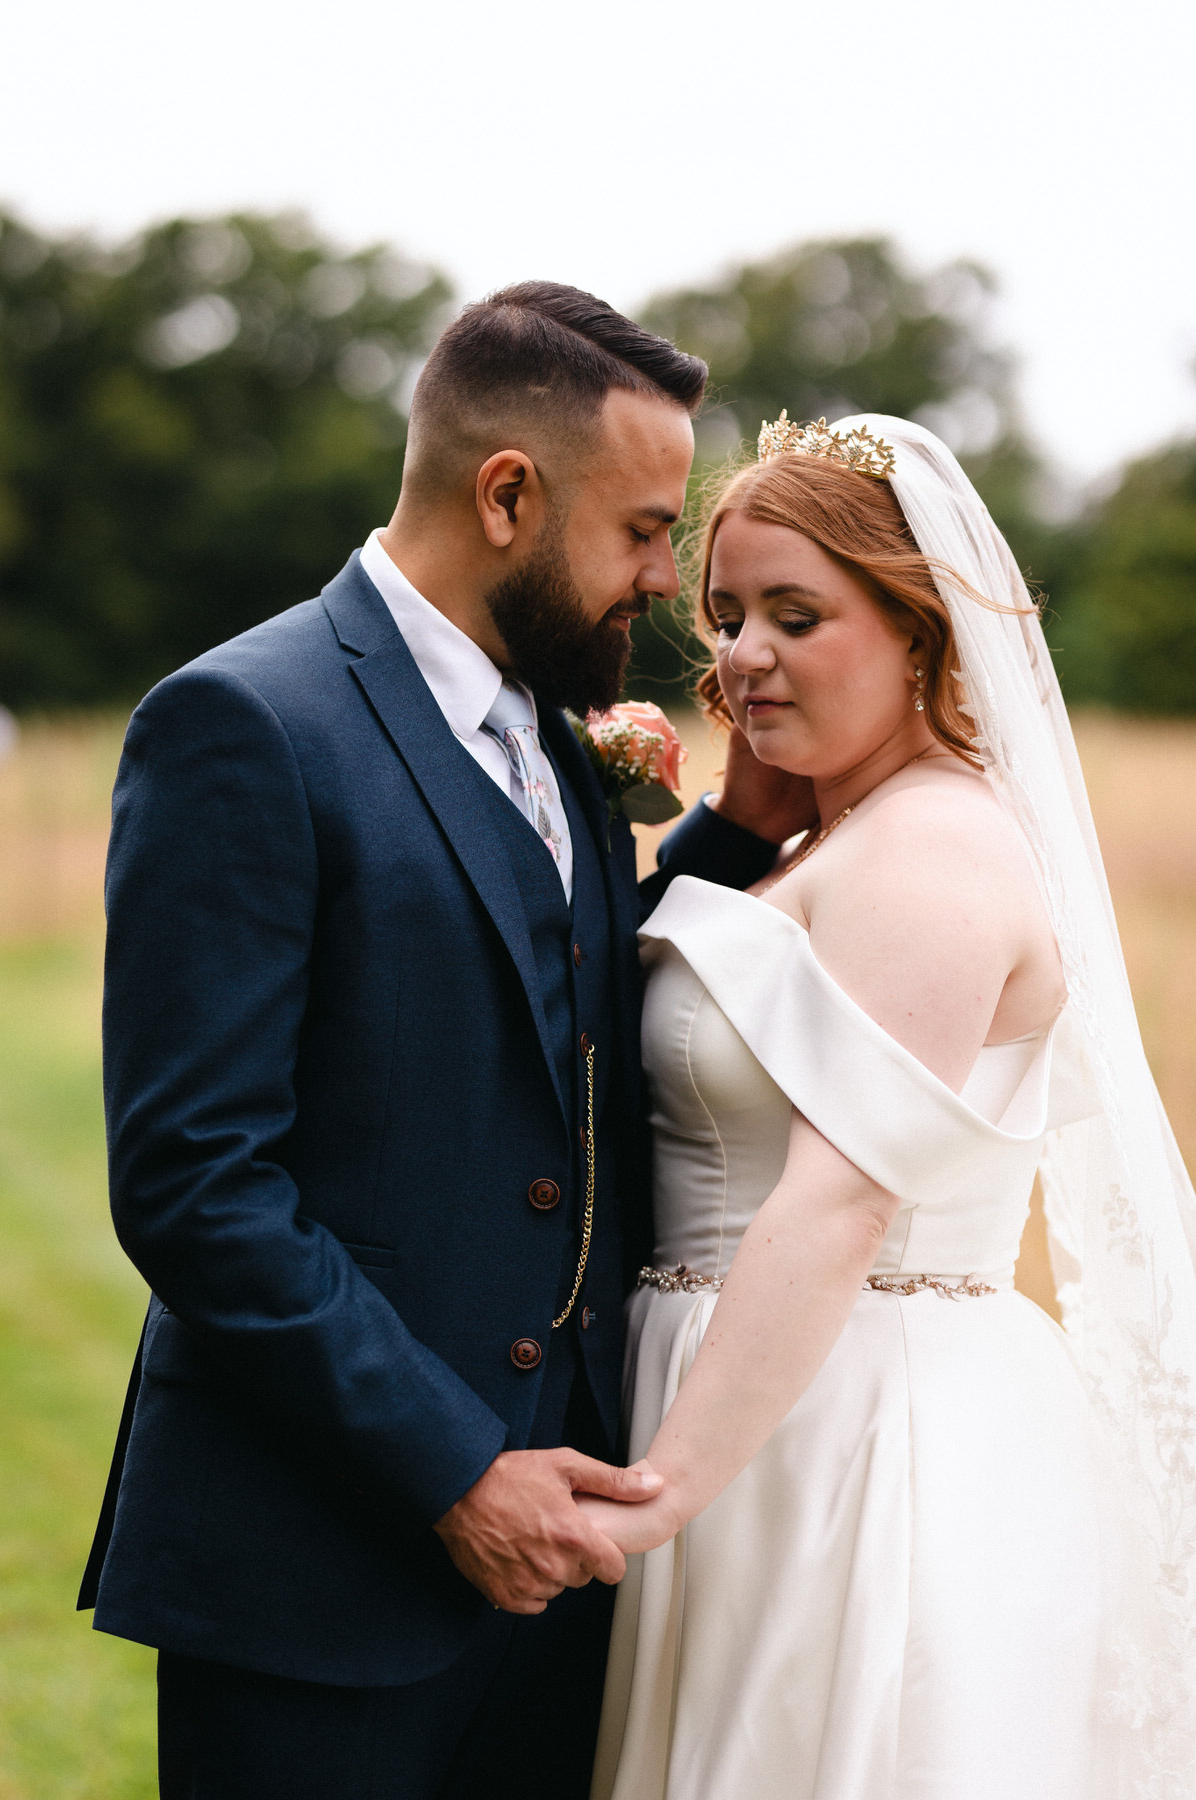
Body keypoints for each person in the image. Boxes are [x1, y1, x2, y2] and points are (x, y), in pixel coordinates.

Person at [77, 283, 800, 1799]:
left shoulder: (559, 728)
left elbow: (559, 1008)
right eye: (642, 529)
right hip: (317, 1569)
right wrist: (457, 1473)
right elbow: (197, 1184)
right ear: (508, 494)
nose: (664, 580)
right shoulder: (245, 724)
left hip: (566, 1580)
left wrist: (731, 842)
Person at [584, 415, 1196, 1799]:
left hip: (849, 1430)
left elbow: (842, 1194)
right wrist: (738, 827)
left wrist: (665, 1489)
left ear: (917, 631)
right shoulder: (832, 837)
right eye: (729, 615)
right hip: (763, 1397)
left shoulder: (934, 850)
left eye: (798, 617)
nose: (742, 656)